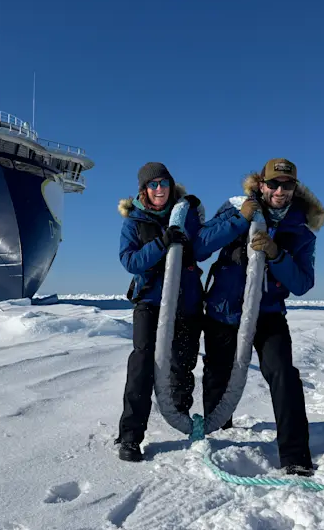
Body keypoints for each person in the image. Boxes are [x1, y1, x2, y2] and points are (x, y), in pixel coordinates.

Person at [202, 158, 324, 476]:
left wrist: (277, 254)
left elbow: (301, 284)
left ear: (294, 188)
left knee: (283, 374)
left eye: (287, 185)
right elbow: (199, 247)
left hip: (267, 314)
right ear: (261, 184)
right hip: (224, 312)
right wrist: (238, 223)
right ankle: (218, 434)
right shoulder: (235, 209)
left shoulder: (301, 231)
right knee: (218, 375)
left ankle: (295, 456)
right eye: (274, 184)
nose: (279, 191)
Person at [115, 162, 240, 462]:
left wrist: (237, 220)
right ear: (143, 190)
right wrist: (162, 242)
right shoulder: (134, 221)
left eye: (163, 183)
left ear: (171, 185)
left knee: (182, 364)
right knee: (142, 364)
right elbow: (131, 262)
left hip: (187, 303)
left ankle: (180, 419)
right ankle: (130, 436)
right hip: (151, 303)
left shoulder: (186, 215)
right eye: (152, 184)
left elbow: (203, 247)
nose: (159, 189)